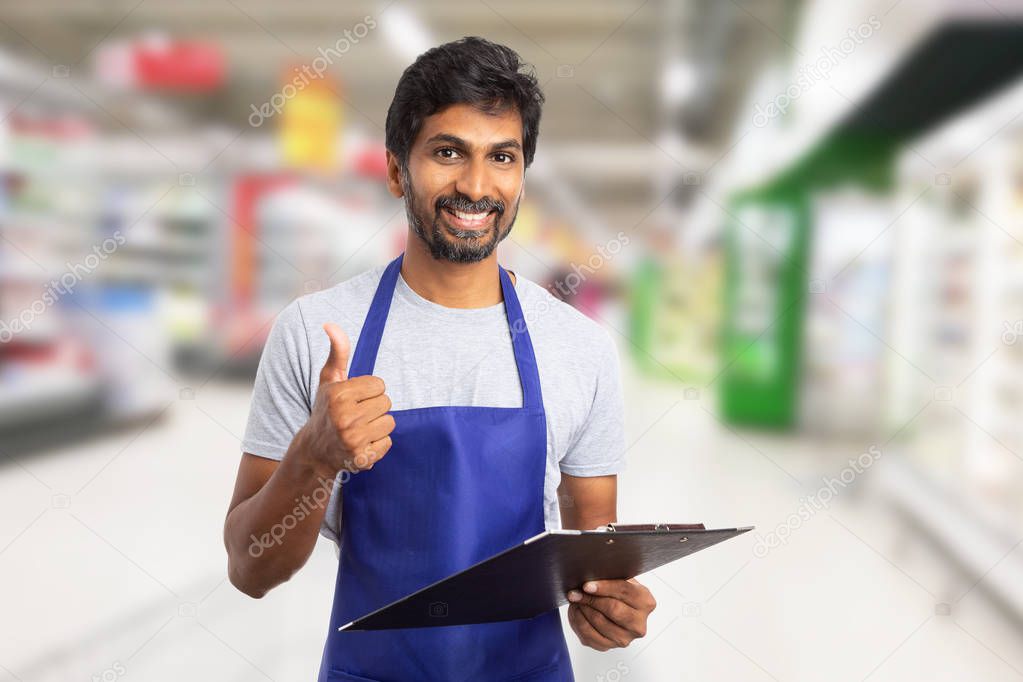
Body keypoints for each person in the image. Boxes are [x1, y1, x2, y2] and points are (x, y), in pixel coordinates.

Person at [223, 36, 656, 681]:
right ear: (398, 170)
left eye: (501, 157)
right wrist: (313, 456)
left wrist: (609, 616)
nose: (476, 186)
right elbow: (250, 568)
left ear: (522, 176)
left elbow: (595, 565)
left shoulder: (579, 347)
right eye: (448, 152)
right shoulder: (315, 332)